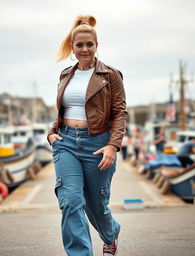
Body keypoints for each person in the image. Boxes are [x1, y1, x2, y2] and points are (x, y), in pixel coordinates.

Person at [47, 15, 127, 256]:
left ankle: (110, 233)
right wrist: (52, 133)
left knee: (95, 205)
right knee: (70, 202)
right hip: (66, 143)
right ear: (73, 47)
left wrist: (113, 146)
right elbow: (64, 111)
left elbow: (120, 113)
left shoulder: (111, 75)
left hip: (98, 144)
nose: (84, 49)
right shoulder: (65, 76)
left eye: (89, 44)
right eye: (79, 45)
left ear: (96, 46)